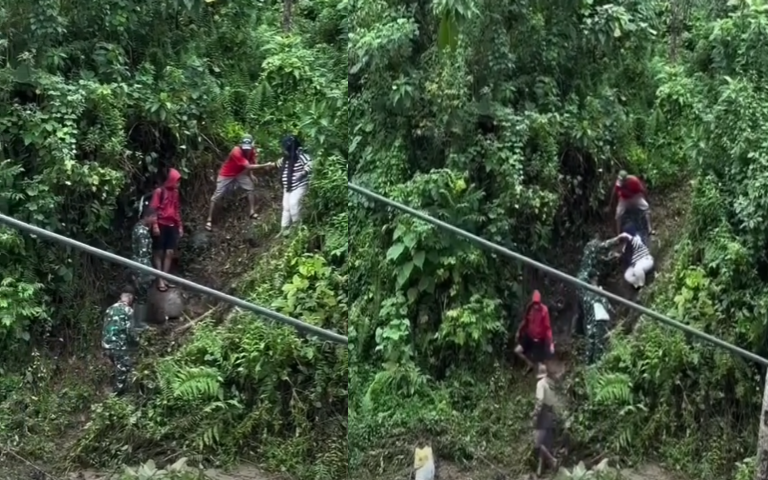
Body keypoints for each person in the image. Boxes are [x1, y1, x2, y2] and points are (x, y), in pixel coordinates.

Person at [204, 135, 271, 231]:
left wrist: (251, 175)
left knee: (250, 188)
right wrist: (265, 165)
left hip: (240, 173)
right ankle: (209, 219)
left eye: (249, 148)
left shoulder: (252, 150)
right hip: (226, 174)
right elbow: (248, 166)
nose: (247, 150)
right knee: (217, 196)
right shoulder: (236, 151)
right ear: (241, 145)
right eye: (245, 148)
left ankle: (252, 211)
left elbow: (251, 163)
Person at [265, 135, 312, 235]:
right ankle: (284, 229)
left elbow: (310, 164)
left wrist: (303, 173)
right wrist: (268, 166)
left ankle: (297, 227)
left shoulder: (300, 155)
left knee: (294, 204)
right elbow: (276, 164)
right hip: (288, 187)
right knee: (286, 207)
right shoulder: (285, 158)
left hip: (299, 185)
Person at [150, 168, 183, 291]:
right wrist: (155, 225)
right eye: (177, 181)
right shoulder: (159, 192)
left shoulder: (175, 193)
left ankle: (165, 277)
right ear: (171, 180)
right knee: (158, 252)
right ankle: (159, 279)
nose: (178, 184)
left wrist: (179, 226)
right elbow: (153, 209)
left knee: (169, 252)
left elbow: (176, 210)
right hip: (161, 224)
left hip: (171, 225)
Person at [102, 290, 138, 395]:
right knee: (124, 367)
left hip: (106, 344)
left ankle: (119, 388)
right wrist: (136, 343)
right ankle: (117, 393)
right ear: (130, 300)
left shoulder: (110, 309)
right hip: (118, 345)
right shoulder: (128, 310)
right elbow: (130, 331)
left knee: (119, 364)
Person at [514, 290, 554, 371]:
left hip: (539, 339)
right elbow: (525, 321)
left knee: (540, 363)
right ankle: (529, 364)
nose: (536, 306)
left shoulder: (544, 311)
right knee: (517, 351)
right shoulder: (530, 308)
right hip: (529, 335)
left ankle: (542, 377)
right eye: (534, 304)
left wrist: (550, 343)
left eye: (537, 304)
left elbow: (548, 328)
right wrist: (519, 331)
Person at [532, 363, 560, 475]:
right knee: (545, 444)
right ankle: (540, 471)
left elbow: (539, 402)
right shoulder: (551, 384)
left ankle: (553, 461)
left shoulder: (541, 384)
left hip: (543, 415)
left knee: (537, 443)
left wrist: (535, 414)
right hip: (551, 414)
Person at [608, 170, 652, 236]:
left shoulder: (634, 181)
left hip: (635, 196)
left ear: (626, 179)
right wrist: (610, 205)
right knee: (618, 214)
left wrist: (647, 199)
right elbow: (614, 193)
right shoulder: (618, 183)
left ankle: (649, 228)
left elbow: (642, 190)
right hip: (624, 198)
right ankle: (618, 234)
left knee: (646, 206)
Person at [615, 226, 653, 291]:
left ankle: (642, 286)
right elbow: (626, 256)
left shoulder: (636, 239)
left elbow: (633, 241)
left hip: (646, 260)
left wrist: (625, 235)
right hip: (635, 264)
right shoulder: (627, 246)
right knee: (627, 275)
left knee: (637, 268)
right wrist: (618, 256)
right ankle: (638, 284)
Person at [131, 207, 156, 304]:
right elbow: (143, 252)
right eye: (153, 217)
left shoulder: (137, 227)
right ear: (147, 217)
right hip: (141, 262)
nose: (155, 219)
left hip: (136, 260)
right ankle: (140, 313)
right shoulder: (142, 232)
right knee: (143, 288)